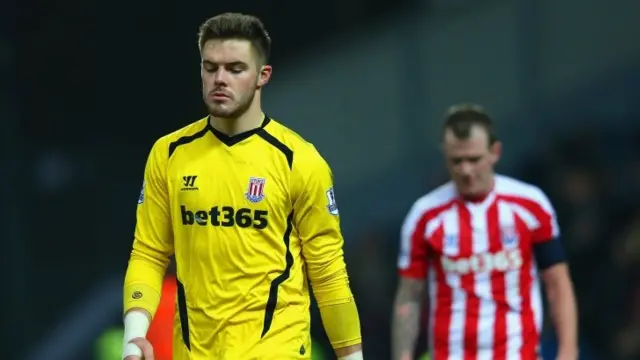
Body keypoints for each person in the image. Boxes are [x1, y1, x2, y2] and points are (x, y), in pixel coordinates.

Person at [122, 12, 363, 360]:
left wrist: (352, 356)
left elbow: (327, 271)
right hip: (195, 352)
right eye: (210, 67)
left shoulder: (299, 160)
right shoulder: (169, 153)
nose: (220, 79)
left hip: (275, 349)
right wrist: (133, 339)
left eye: (235, 69)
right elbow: (148, 252)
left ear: (262, 76)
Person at [391, 104, 578, 360]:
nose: (466, 170)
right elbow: (410, 296)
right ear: (445, 155)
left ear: (495, 152)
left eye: (474, 159)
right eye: (457, 161)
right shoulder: (424, 217)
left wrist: (567, 351)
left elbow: (557, 282)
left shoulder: (531, 205)